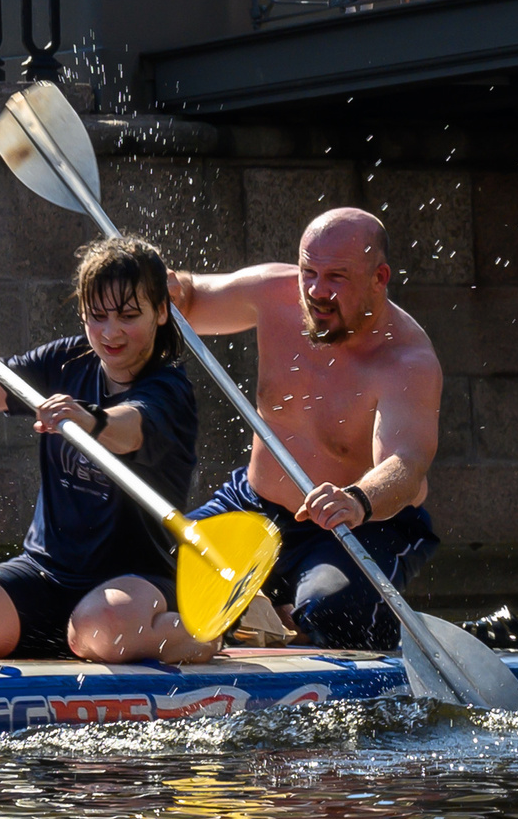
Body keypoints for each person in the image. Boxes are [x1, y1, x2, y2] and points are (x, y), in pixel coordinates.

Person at [0, 236, 207, 664]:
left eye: (128, 316)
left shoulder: (169, 386)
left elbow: (131, 428)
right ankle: (73, 638)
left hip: (138, 582)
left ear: (161, 312)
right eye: (97, 316)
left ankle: (206, 632)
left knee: (103, 629)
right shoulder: (64, 361)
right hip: (47, 571)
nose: (110, 332)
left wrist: (89, 419)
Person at [167, 207, 445, 650]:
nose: (316, 291)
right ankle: (271, 614)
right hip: (254, 505)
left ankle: (317, 622)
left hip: (360, 524)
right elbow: (188, 302)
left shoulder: (407, 360)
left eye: (336, 277)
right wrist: (170, 287)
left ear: (379, 278)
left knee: (332, 614)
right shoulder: (273, 292)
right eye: (308, 272)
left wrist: (356, 499)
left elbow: (406, 463)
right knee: (154, 568)